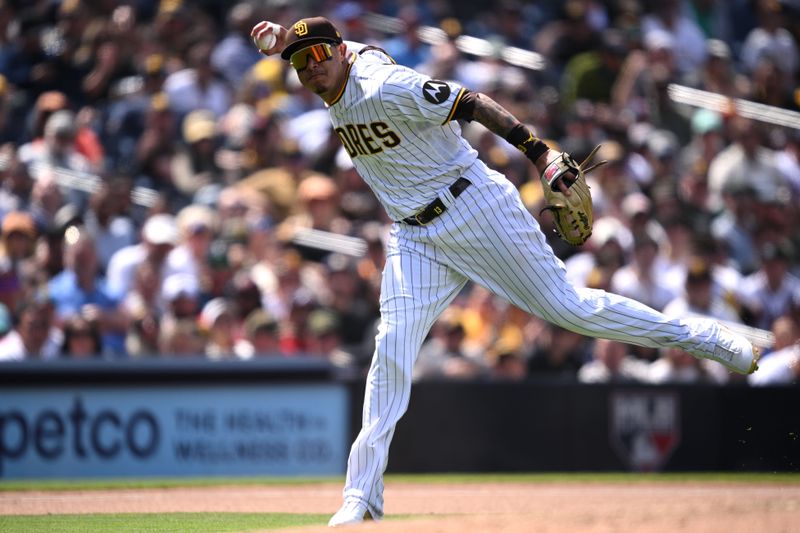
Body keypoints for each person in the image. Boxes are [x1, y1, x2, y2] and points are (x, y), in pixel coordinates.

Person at [250, 16, 760, 527]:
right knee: (391, 351)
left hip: (473, 206)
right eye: (299, 63)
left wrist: (541, 155)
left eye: (318, 56)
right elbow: (315, 54)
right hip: (413, 235)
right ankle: (361, 497)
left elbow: (468, 101)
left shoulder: (385, 84)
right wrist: (282, 45)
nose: (310, 69)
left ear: (341, 50)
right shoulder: (332, 70)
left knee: (573, 310)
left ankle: (706, 338)